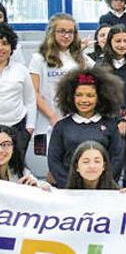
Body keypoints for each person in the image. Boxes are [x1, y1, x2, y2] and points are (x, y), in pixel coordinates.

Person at [29, 14, 95, 176]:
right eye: (61, 31)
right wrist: (52, 116)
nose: (66, 36)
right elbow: (33, 93)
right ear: (52, 32)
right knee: (50, 173)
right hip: (48, 123)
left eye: (70, 32)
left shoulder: (82, 59)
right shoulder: (39, 59)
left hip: (75, 123)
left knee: (75, 170)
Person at [48, 67, 124, 188]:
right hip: (69, 191)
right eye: (79, 95)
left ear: (100, 97)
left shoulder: (110, 125)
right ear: (71, 97)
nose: (84, 100)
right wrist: (70, 185)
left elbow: (117, 158)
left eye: (90, 95)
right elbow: (54, 161)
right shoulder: (61, 126)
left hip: (103, 190)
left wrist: (103, 183)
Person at [0, 24, 36, 162]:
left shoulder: (21, 70)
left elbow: (30, 100)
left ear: (12, 47)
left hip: (17, 128)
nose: (1, 48)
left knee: (16, 170)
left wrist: (29, 128)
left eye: (5, 44)